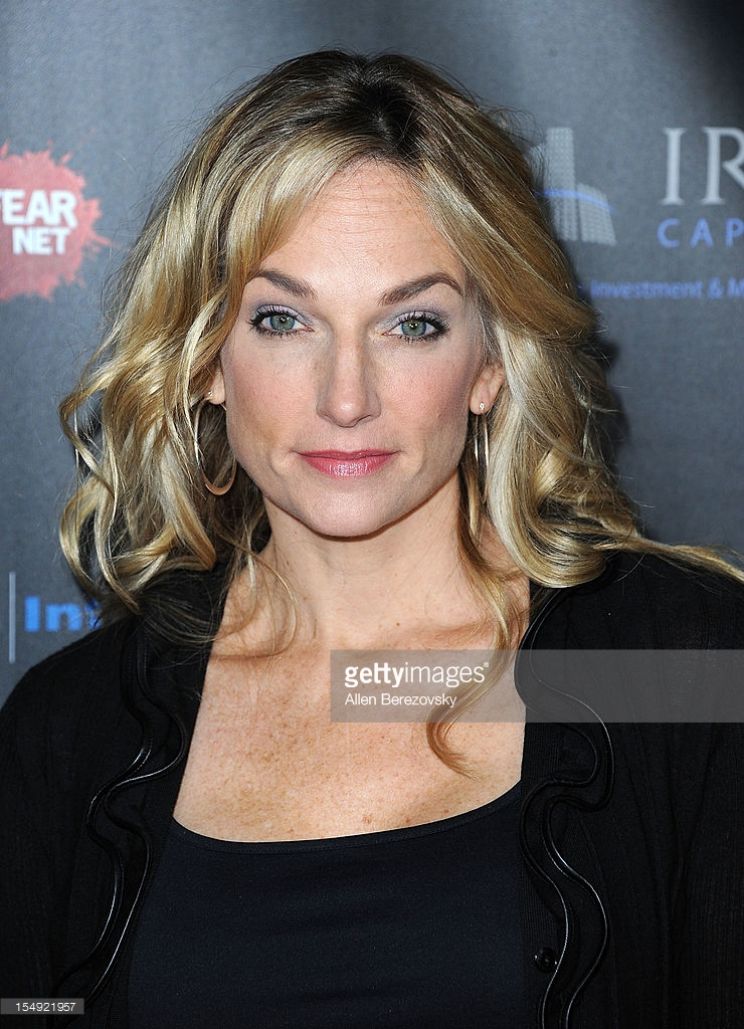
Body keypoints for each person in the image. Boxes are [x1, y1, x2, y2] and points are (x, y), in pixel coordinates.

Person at [1, 49, 743, 1029]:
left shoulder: (674, 670)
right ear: (206, 357)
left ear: (491, 362)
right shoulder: (69, 728)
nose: (345, 398)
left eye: (413, 325)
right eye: (283, 319)